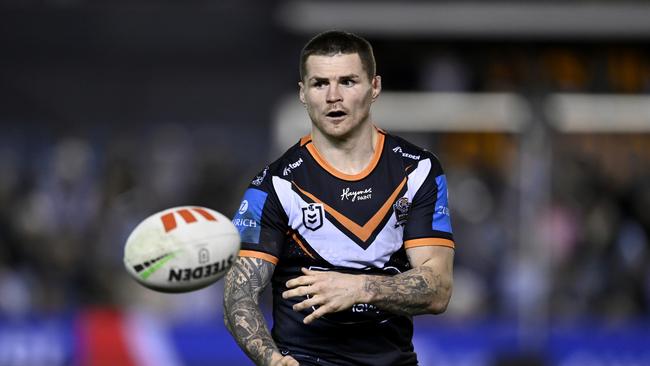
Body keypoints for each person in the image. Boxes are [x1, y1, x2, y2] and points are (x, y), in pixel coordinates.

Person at [223, 30, 455, 366]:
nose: (333, 96)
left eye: (347, 82)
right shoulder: (274, 184)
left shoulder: (417, 170)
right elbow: (238, 296)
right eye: (320, 84)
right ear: (303, 93)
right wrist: (271, 359)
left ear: (374, 87)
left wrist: (360, 288)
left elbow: (439, 288)